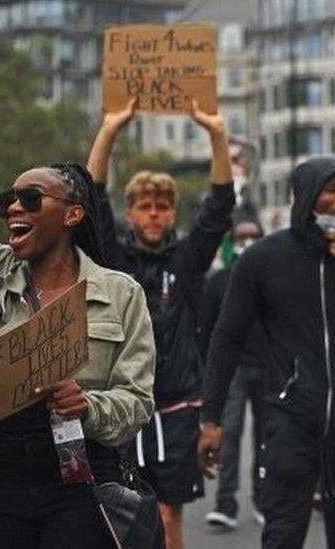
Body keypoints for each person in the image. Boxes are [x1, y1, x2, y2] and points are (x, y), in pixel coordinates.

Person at [198, 152, 335, 549]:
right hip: (289, 421)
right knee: (282, 534)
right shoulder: (263, 259)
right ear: (304, 195)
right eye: (331, 190)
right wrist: (211, 418)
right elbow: (225, 338)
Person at [0, 161, 156, 548]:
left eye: (30, 199)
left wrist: (88, 406)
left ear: (73, 213)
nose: (13, 209)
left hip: (79, 473)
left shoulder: (122, 294)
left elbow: (137, 401)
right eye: (9, 200)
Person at [86, 97, 235, 549]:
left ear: (173, 213)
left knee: (169, 516)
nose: (154, 213)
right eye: (145, 206)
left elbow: (219, 208)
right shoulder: (113, 260)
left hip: (176, 409)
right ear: (130, 213)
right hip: (122, 409)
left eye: (163, 207)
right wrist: (110, 129)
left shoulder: (187, 261)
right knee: (117, 519)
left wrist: (216, 133)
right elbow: (91, 199)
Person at [200, 217, 270, 529]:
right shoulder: (218, 281)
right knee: (227, 435)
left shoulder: (273, 278)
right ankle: (225, 503)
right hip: (234, 371)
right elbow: (209, 335)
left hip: (270, 368)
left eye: (254, 236)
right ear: (231, 242)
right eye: (241, 237)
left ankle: (263, 500)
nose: (248, 241)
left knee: (267, 438)